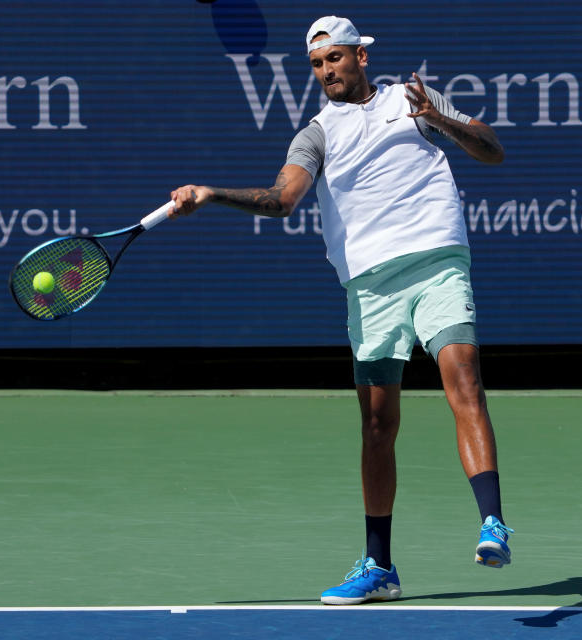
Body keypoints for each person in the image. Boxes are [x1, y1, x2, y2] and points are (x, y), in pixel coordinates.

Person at [170, 15, 512, 605]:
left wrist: (437, 116)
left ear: (361, 57)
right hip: (370, 287)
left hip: (436, 261)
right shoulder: (315, 135)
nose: (327, 71)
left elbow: (491, 151)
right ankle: (379, 567)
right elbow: (282, 200)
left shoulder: (414, 99)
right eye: (317, 64)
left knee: (464, 381)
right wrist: (211, 193)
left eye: (335, 58)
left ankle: (492, 523)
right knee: (378, 425)